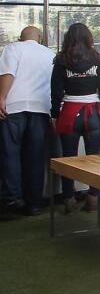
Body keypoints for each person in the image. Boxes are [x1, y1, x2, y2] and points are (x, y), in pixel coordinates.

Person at [50, 23, 100, 214]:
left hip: (69, 111)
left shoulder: (61, 60)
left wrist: (55, 115)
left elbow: (56, 92)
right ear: (89, 38)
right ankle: (93, 196)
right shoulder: (98, 60)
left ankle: (68, 198)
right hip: (93, 111)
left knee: (69, 159)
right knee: (94, 158)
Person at [0, 26, 54, 217]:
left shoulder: (13, 48)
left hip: (14, 107)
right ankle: (34, 203)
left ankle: (12, 199)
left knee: (10, 154)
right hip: (40, 109)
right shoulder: (49, 54)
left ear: (20, 37)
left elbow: (8, 73)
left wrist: (1, 98)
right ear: (39, 38)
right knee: (35, 156)